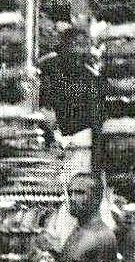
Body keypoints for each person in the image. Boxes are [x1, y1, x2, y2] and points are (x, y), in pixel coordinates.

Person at [50, 172, 118, 262]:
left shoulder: (102, 235)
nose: (73, 198)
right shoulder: (78, 228)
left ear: (96, 198)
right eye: (71, 193)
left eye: (80, 193)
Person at [38, 27, 102, 179]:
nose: (78, 52)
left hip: (80, 143)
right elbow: (42, 105)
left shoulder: (91, 77)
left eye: (83, 46)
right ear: (64, 46)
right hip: (53, 142)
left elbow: (95, 118)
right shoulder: (49, 69)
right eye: (75, 45)